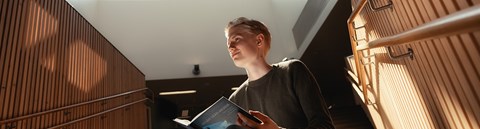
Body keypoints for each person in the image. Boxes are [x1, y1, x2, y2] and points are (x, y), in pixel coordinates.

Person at [225, 17, 335, 129]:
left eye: (236, 39)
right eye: (228, 43)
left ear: (259, 40)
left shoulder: (292, 71)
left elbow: (325, 126)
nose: (230, 47)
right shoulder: (234, 100)